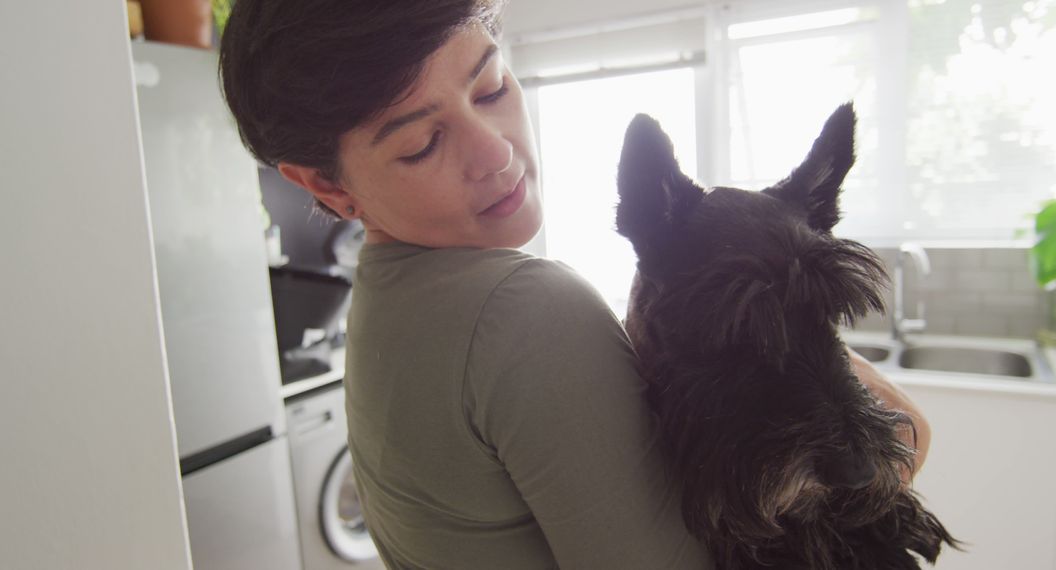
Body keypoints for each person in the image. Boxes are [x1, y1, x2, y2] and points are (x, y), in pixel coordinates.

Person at [218, 1, 932, 568]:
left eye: (491, 86)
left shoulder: (386, 302)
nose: (496, 154)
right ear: (324, 185)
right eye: (420, 143)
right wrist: (906, 424)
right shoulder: (526, 310)